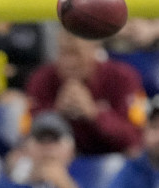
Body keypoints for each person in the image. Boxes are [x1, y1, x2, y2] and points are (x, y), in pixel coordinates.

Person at [24, 28, 145, 157]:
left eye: (76, 54)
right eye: (63, 53)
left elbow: (135, 138)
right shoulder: (41, 78)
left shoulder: (122, 77)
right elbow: (26, 133)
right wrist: (55, 113)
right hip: (55, 158)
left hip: (111, 156)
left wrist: (94, 114)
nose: (69, 62)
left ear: (94, 50)